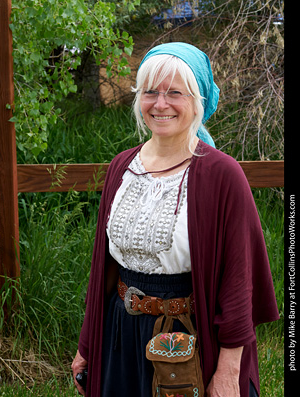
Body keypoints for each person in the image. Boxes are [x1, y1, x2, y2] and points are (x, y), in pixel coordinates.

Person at [71, 42, 279, 397]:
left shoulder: (221, 174)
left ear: (197, 101)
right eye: (150, 92)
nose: (160, 103)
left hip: (190, 341)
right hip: (120, 337)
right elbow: (103, 271)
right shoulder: (122, 167)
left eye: (175, 93)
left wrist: (229, 371)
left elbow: (239, 281)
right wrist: (88, 345)